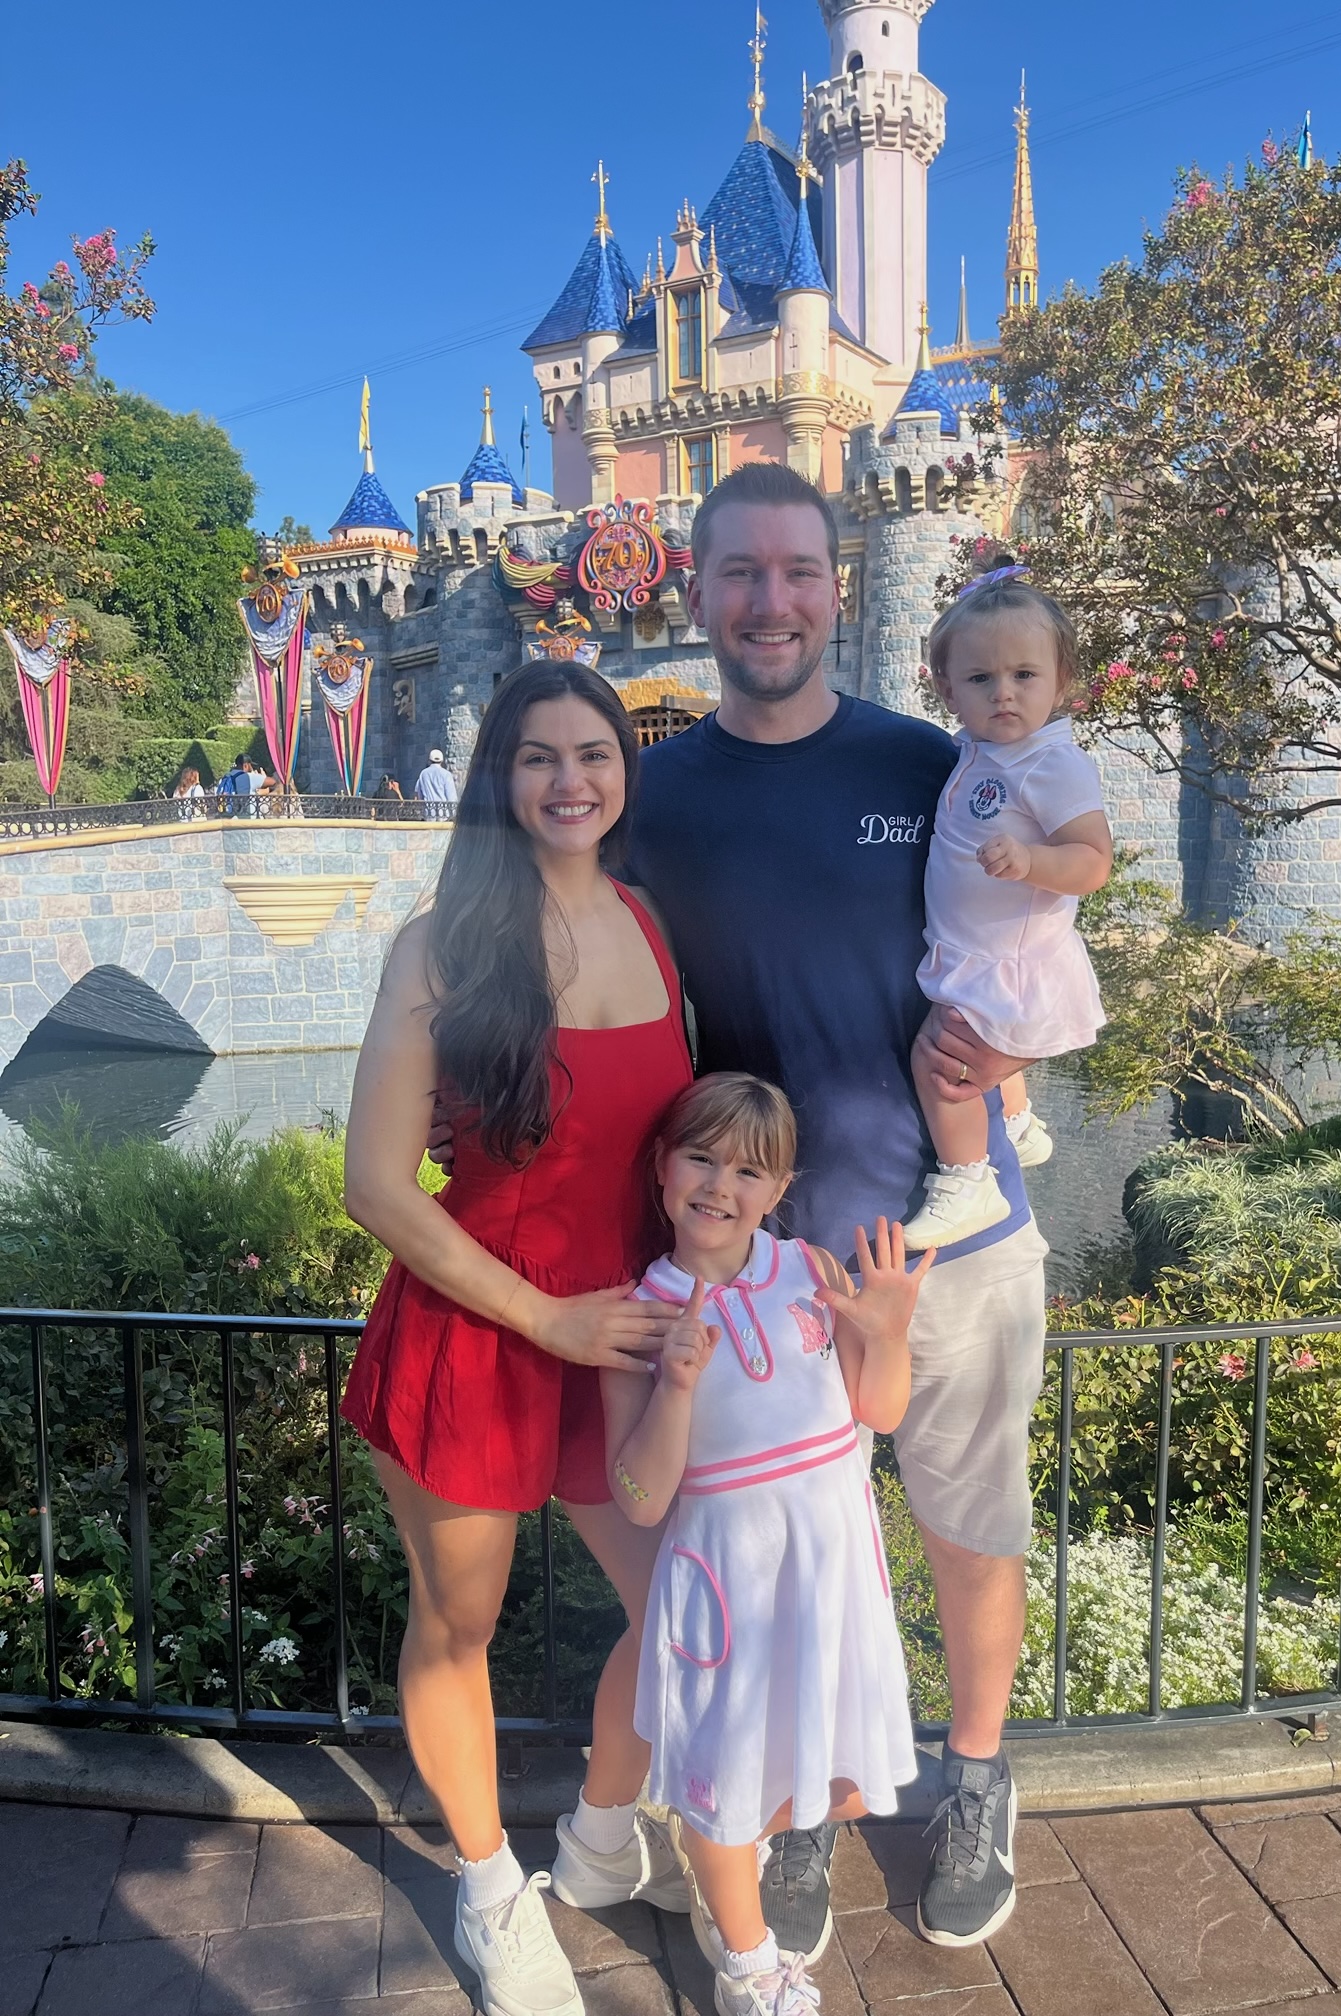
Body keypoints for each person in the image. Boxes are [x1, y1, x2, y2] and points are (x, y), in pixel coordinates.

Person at [434, 466, 1055, 1952]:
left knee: (966, 1523)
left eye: (798, 572)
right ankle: (787, 1809)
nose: (770, 603)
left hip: (944, 1226)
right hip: (755, 1266)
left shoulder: (929, 765)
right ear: (697, 591)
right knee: (776, 1561)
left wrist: (1022, 1057)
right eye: (740, 575)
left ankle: (972, 1778)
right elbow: (584, 962)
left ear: (839, 584)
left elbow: (1033, 924)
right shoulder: (661, 798)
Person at [341, 660, 696, 2016]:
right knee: (460, 1619)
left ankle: (600, 1840)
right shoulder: (440, 945)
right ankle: (490, 1887)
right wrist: (544, 1313)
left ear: (623, 771)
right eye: (537, 756)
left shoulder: (650, 926)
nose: (568, 780)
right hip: (485, 1323)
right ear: (499, 778)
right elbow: (377, 1183)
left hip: (624, 1332)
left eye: (592, 753)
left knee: (684, 1607)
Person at [604, 1073, 929, 2016]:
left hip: (830, 1571)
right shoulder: (643, 1314)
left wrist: (891, 1329)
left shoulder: (813, 1272)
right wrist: (674, 1388)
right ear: (664, 1169)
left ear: (780, 1189)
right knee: (728, 1778)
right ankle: (748, 1962)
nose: (720, 1186)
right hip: (730, 1580)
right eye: (701, 1157)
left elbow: (880, 1408)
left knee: (830, 1774)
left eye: (750, 1169)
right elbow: (637, 1496)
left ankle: (722, 1861)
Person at [900, 579, 1113, 1250]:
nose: (1004, 693)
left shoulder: (1052, 763)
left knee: (940, 1060)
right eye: (981, 677)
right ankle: (1017, 1123)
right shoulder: (983, 750)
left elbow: (1092, 860)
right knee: (962, 1049)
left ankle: (969, 1180)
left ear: (1062, 679)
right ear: (946, 687)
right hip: (978, 947)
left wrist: (1029, 861)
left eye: (1024, 674)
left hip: (1008, 961)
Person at [416, 747, 459, 816]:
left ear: (430, 760)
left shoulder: (423, 774)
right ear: (442, 760)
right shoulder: (446, 774)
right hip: (444, 813)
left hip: (429, 813)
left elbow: (420, 794)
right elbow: (451, 796)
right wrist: (454, 814)